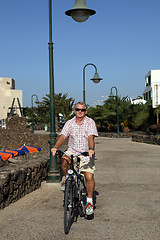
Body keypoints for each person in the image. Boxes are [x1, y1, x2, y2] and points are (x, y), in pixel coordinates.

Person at [51, 102, 98, 215]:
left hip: (85, 152)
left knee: (89, 176)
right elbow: (63, 136)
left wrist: (91, 149)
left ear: (85, 111)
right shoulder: (69, 123)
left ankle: (89, 201)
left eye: (82, 110)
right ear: (74, 110)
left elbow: (91, 137)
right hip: (72, 150)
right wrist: (55, 147)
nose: (80, 112)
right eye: (77, 109)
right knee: (64, 161)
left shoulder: (90, 122)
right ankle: (67, 180)